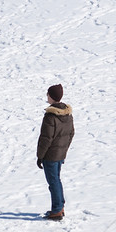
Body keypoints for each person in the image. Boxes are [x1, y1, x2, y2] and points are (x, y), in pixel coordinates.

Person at [36, 84, 74, 220]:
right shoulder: (68, 114)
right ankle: (60, 206)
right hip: (60, 155)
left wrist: (40, 156)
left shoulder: (50, 116)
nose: (47, 96)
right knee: (56, 181)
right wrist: (63, 150)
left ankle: (57, 210)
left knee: (53, 182)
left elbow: (46, 139)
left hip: (50, 156)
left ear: (51, 96)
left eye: (48, 94)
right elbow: (71, 134)